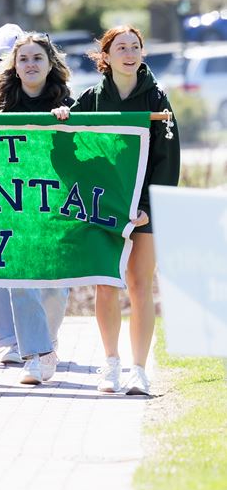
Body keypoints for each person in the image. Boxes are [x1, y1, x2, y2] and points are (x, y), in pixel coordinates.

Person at [67, 25, 180, 396]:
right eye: (121, 47)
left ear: (142, 53)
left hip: (143, 211)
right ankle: (111, 364)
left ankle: (139, 370)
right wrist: (61, 117)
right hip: (105, 209)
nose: (129, 53)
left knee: (139, 285)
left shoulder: (158, 99)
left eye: (135, 47)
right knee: (106, 284)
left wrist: (148, 207)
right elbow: (65, 147)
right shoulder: (91, 99)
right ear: (107, 56)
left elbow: (167, 161)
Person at [0, 32, 75, 385]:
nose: (31, 64)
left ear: (50, 64)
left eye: (37, 58)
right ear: (15, 67)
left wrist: (69, 121)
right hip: (14, 206)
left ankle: (47, 343)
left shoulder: (70, 104)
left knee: (55, 288)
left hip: (57, 207)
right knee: (21, 280)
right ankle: (35, 354)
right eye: (24, 59)